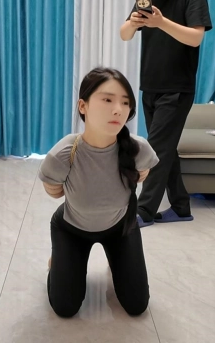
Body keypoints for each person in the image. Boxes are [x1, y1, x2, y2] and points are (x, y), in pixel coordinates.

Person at [38, 67, 159, 318]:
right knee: (65, 308)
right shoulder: (63, 153)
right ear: (83, 106)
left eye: (125, 102)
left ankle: (117, 262)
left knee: (137, 306)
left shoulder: (138, 150)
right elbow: (55, 192)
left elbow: (142, 174)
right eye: (107, 100)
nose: (118, 109)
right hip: (71, 228)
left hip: (121, 227)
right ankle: (57, 261)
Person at [119, 0, 213, 227]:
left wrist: (161, 23)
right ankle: (181, 207)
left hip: (177, 87)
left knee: (157, 149)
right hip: (150, 86)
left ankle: (144, 211)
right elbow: (124, 35)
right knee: (166, 148)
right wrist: (133, 23)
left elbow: (195, 38)